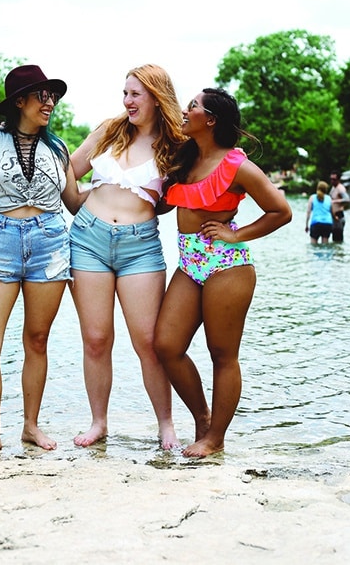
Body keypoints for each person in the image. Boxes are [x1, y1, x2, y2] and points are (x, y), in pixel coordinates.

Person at [0, 64, 84, 457]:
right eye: (42, 95)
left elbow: (74, 201)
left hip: (49, 243)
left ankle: (30, 426)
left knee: (36, 340)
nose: (50, 102)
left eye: (53, 96)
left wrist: (120, 191)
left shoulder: (59, 149)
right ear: (19, 101)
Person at [154, 88, 292, 458]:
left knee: (222, 354)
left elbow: (281, 211)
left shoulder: (237, 165)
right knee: (166, 345)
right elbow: (168, 204)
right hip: (190, 263)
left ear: (211, 120)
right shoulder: (186, 158)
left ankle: (216, 438)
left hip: (228, 265)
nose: (186, 111)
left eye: (193, 106)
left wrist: (236, 234)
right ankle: (203, 420)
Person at [68, 64, 185, 449]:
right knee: (96, 339)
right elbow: (68, 170)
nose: (127, 101)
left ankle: (166, 425)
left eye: (135, 94)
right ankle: (98, 423)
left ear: (156, 97)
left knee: (148, 342)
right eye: (125, 93)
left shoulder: (176, 147)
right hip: (88, 241)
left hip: (141, 249)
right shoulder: (108, 131)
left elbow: (184, 193)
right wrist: (77, 205)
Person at [329, 171, 350, 242]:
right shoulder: (333, 188)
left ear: (338, 179)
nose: (332, 181)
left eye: (334, 179)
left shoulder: (340, 188)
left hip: (339, 216)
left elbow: (347, 199)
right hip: (333, 216)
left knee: (338, 240)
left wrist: (335, 201)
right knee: (334, 239)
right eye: (331, 179)